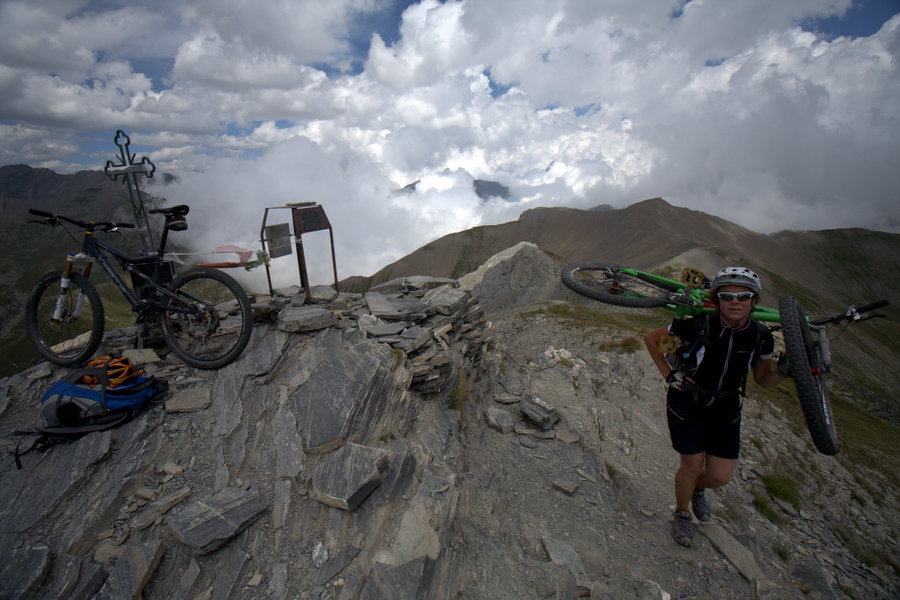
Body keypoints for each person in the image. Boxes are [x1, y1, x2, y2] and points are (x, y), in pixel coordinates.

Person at [643, 266, 790, 547]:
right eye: (728, 296)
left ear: (754, 301)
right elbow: (652, 339)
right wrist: (668, 374)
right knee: (692, 464)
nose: (736, 301)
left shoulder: (761, 336)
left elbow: (763, 380)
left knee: (720, 476)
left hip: (726, 406)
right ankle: (682, 513)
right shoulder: (697, 324)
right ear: (717, 299)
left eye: (743, 296)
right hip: (687, 399)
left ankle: (697, 490)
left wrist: (783, 371)